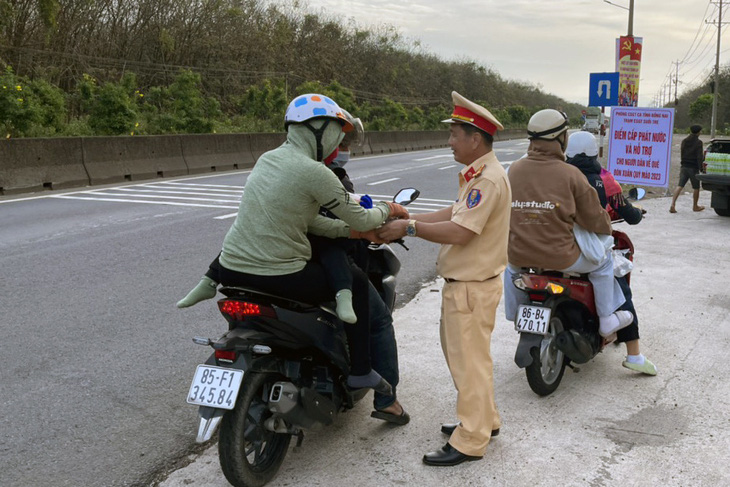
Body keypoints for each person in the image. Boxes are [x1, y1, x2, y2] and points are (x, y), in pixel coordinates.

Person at [177, 102, 410, 419]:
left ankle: (206, 283)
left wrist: (353, 233)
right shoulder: (316, 172)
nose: (339, 146)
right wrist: (390, 209)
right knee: (367, 302)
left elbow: (309, 221)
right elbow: (362, 216)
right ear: (320, 132)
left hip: (231, 271)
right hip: (280, 273)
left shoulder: (268, 160)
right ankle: (374, 388)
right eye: (336, 136)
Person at [377, 91, 510, 466]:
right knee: (471, 361)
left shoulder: (488, 180)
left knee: (469, 364)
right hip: (469, 286)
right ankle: (485, 420)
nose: (449, 141)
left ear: (475, 139)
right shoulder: (479, 175)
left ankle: (471, 439)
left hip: (471, 287)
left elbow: (462, 232)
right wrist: (408, 219)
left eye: (454, 134)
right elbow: (456, 211)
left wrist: (410, 228)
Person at [504, 109, 634, 339]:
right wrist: (606, 226)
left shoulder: (512, 171)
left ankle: (514, 312)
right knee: (604, 262)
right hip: (563, 258)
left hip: (519, 254)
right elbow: (593, 218)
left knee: (510, 267)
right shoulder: (571, 175)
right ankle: (605, 319)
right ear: (561, 139)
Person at [565, 131, 657, 375]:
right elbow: (626, 212)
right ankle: (634, 355)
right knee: (621, 287)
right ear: (596, 152)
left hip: (554, 244)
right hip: (591, 247)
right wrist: (637, 212)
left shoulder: (557, 173)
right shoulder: (605, 178)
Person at [670, 124, 705, 213]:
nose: (701, 132)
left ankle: (673, 204)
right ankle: (695, 206)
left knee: (680, 185)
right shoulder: (698, 142)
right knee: (696, 187)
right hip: (693, 167)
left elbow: (682, 153)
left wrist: (683, 163)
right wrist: (701, 168)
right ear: (698, 132)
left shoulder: (684, 141)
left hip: (684, 166)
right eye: (700, 131)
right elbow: (699, 157)